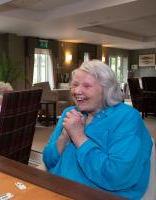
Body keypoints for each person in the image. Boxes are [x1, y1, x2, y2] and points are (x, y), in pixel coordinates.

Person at [43, 60, 152, 199]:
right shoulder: (69, 113)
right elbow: (48, 161)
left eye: (86, 86)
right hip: (57, 189)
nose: (77, 91)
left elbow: (116, 177)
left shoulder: (127, 118)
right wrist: (64, 138)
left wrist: (78, 136)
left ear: (106, 89)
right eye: (74, 85)